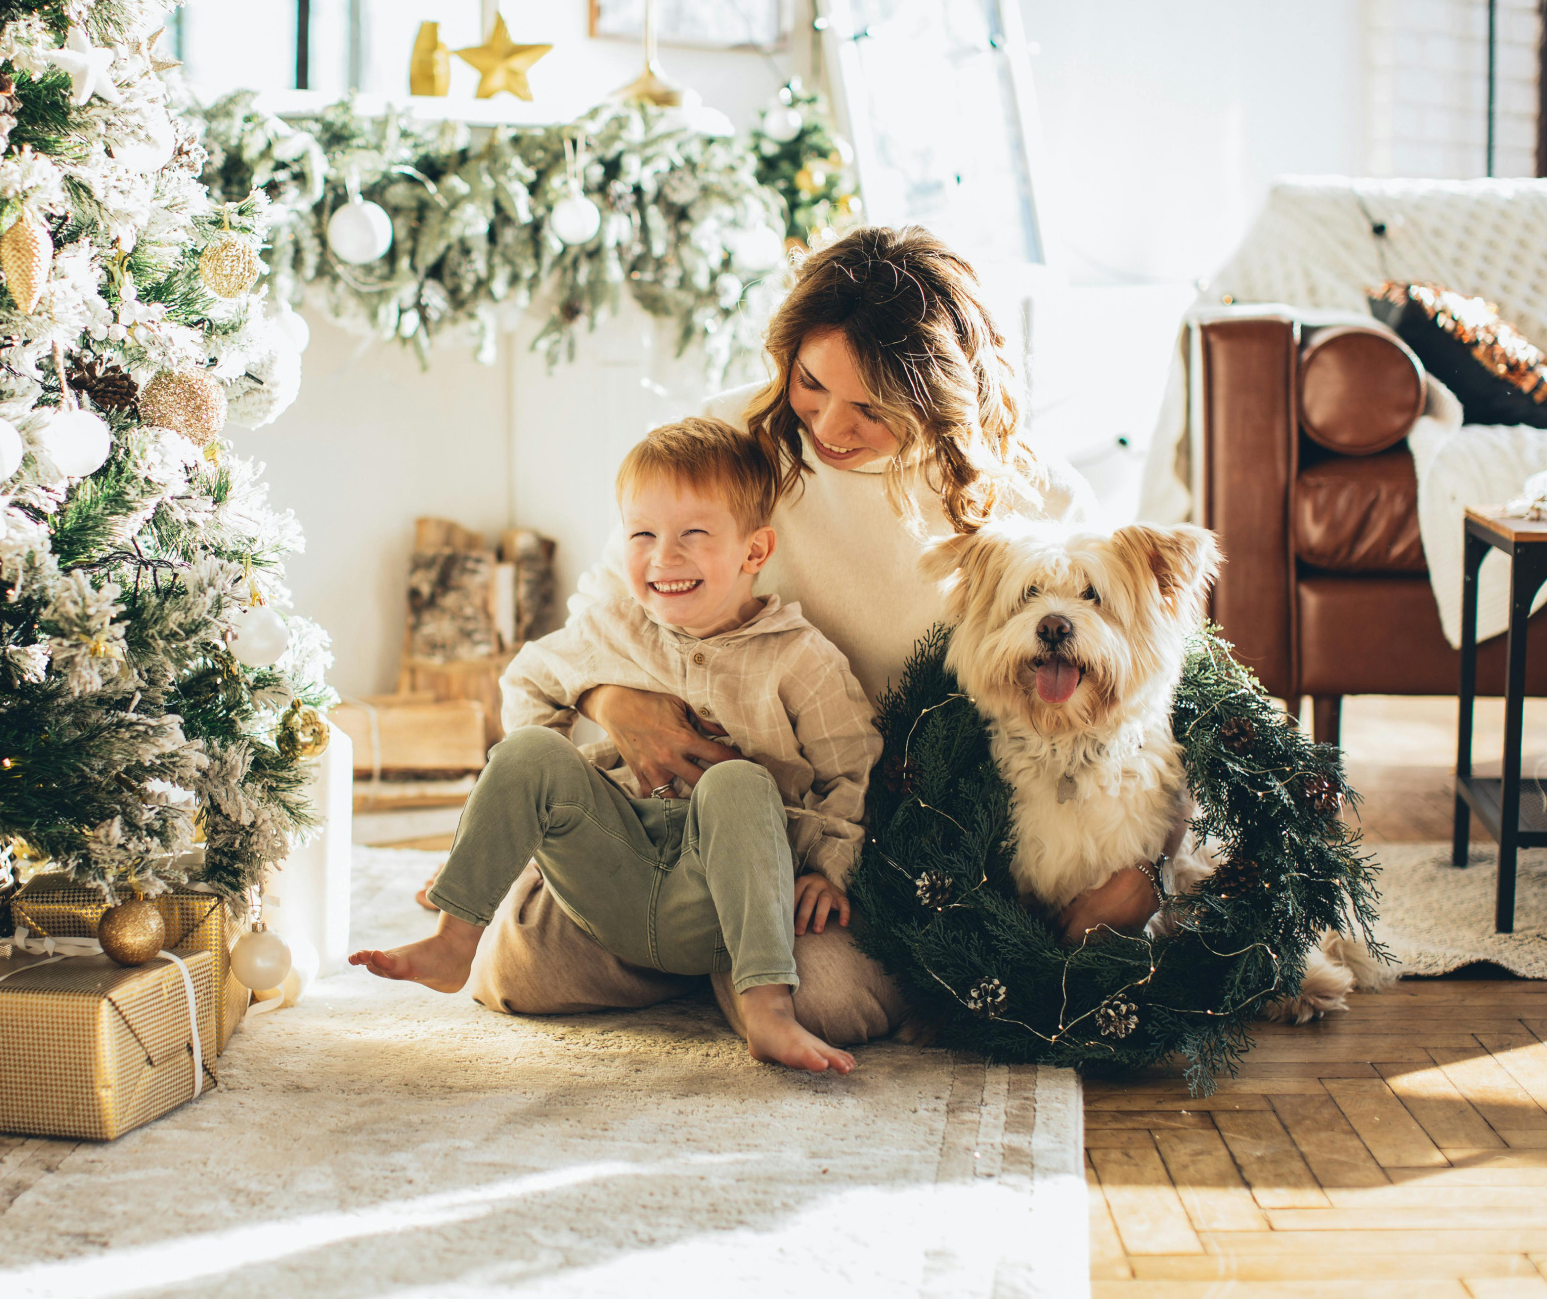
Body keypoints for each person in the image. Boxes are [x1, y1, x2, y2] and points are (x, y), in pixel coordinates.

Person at [462, 224, 1160, 1045]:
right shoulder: (732, 437)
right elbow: (607, 608)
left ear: (942, 398)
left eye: (872, 407)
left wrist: (1144, 869)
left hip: (859, 833)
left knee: (829, 1001)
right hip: (682, 814)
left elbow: (1133, 675)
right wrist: (613, 700)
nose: (831, 424)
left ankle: (731, 953)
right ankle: (705, 936)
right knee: (515, 975)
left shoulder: (1032, 500)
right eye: (811, 383)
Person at [353, 418, 881, 1073]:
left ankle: (766, 1008)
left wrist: (829, 870)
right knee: (526, 755)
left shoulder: (798, 658)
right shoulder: (610, 629)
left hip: (727, 889)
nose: (664, 557)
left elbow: (852, 769)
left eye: (694, 534)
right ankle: (452, 938)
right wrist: (538, 810)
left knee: (739, 783)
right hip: (619, 861)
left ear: (754, 551)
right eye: (642, 535)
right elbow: (526, 685)